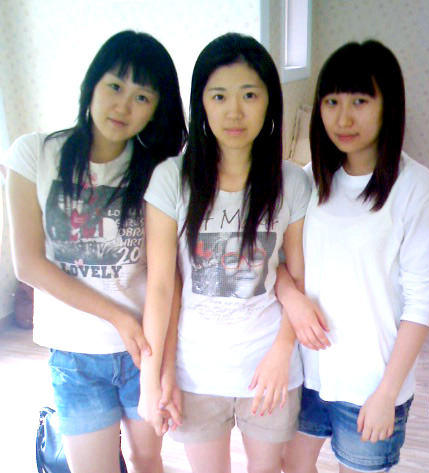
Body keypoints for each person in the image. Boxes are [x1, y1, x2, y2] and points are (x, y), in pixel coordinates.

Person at [2, 30, 186, 473]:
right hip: (75, 356)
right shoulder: (34, 154)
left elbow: (168, 281)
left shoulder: (159, 173)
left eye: (142, 97)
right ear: (92, 85)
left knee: (147, 461)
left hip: (142, 351)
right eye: (115, 86)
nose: (123, 106)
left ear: (156, 109)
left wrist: (164, 367)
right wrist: (118, 316)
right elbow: (28, 264)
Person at [139, 32, 311, 473]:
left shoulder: (292, 182)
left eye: (249, 95)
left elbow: (298, 275)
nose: (234, 111)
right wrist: (154, 376)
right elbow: (161, 288)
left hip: (269, 365)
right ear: (201, 104)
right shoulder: (171, 179)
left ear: (269, 102)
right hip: (195, 370)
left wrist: (283, 351)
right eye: (219, 96)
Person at [279, 40, 429, 472]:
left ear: (388, 104)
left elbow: (422, 302)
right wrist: (292, 298)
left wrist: (387, 394)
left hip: (372, 383)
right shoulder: (306, 182)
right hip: (307, 373)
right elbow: (274, 262)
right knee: (291, 464)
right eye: (332, 102)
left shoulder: (418, 189)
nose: (343, 118)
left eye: (359, 101)